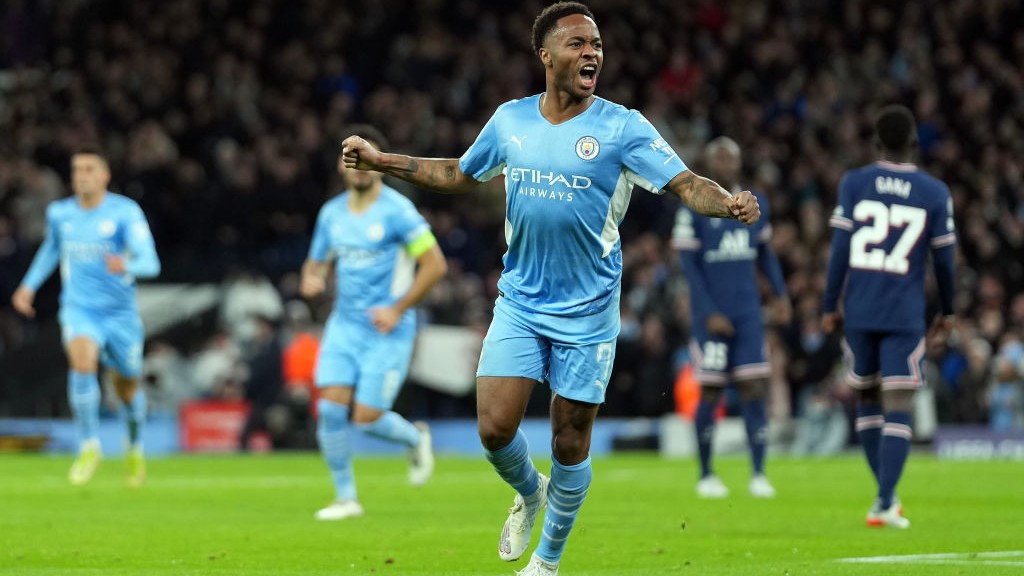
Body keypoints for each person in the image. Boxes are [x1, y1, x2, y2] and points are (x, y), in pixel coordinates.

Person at [340, 3, 760, 574]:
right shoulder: (512, 121)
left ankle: (548, 562)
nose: (592, 53)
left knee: (568, 441)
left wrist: (727, 203)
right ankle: (530, 491)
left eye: (597, 45)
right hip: (521, 300)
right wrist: (381, 161)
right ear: (545, 55)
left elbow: (686, 183)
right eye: (578, 43)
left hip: (588, 312)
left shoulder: (623, 126)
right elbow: (458, 174)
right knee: (493, 427)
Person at [300, 124, 447, 521]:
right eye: (353, 158)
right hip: (344, 327)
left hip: (388, 330)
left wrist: (398, 308)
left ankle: (415, 439)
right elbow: (315, 263)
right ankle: (346, 498)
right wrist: (312, 278)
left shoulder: (398, 212)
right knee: (330, 412)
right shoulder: (331, 215)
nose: (361, 166)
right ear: (342, 165)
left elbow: (434, 265)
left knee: (366, 418)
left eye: (368, 157)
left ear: (380, 164)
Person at [822, 104, 956, 529]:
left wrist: (829, 305)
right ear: (914, 142)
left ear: (876, 143)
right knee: (899, 403)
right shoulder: (935, 192)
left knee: (867, 398)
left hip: (859, 310)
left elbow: (839, 252)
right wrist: (948, 311)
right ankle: (884, 499)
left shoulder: (854, 183)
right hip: (904, 312)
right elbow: (945, 262)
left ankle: (885, 497)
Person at [11, 148, 161, 487]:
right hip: (80, 309)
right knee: (82, 360)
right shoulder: (61, 213)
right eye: (77, 169)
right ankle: (89, 445)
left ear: (105, 176)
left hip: (120, 315)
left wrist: (129, 265)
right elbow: (52, 249)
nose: (81, 175)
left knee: (126, 387)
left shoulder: (125, 213)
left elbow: (151, 263)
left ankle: (134, 446)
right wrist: (28, 286)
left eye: (89, 169)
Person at [671, 136, 790, 499]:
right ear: (708, 163)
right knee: (710, 391)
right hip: (712, 317)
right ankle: (706, 473)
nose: (724, 163)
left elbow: (766, 254)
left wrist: (781, 294)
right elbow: (688, 267)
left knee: (755, 387)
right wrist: (707, 312)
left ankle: (758, 472)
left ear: (738, 163)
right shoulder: (693, 208)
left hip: (748, 312)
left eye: (730, 157)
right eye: (718, 158)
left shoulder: (754, 205)